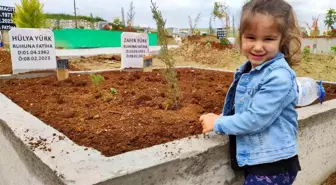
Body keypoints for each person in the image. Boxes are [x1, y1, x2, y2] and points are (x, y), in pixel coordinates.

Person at [199, 0, 302, 184]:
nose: (257, 46)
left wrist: (219, 123)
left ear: (281, 40)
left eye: (268, 39)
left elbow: (255, 119)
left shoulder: (279, 77)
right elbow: (244, 107)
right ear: (241, 37)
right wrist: (223, 116)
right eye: (251, 38)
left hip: (273, 166)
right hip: (260, 161)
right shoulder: (249, 69)